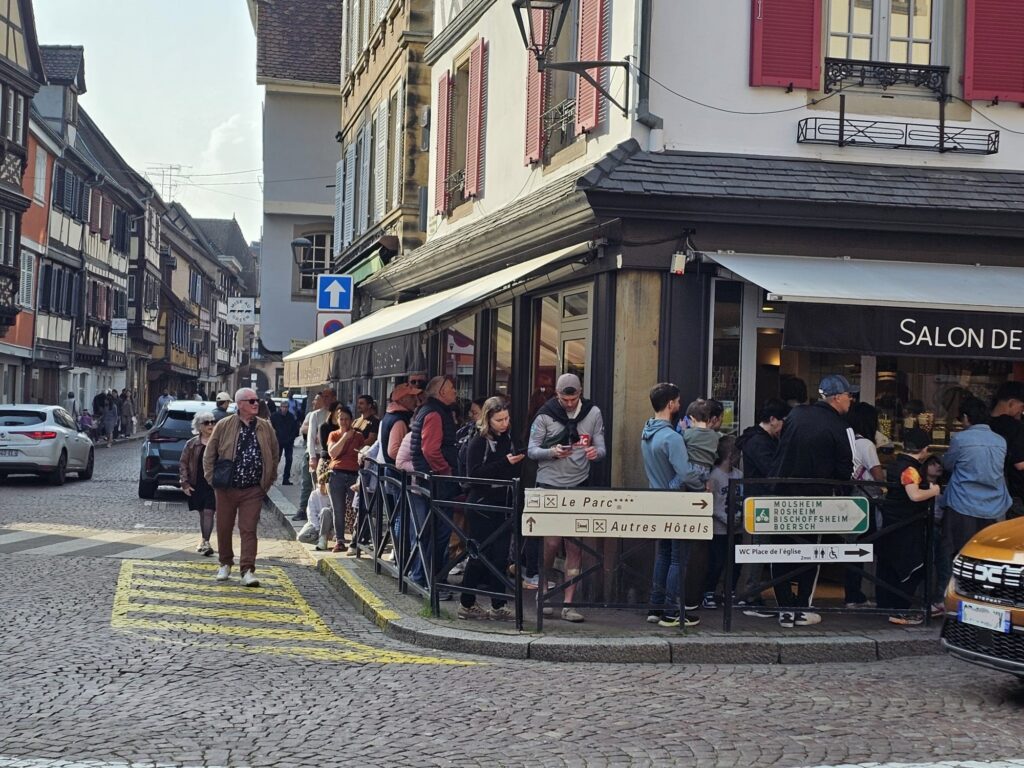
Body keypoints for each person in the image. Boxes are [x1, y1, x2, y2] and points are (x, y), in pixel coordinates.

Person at [769, 373, 856, 628]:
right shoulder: (840, 426)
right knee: (811, 553)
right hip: (815, 501)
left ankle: (785, 609)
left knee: (781, 551)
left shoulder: (796, 415)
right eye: (849, 395)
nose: (851, 400)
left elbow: (783, 450)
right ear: (837, 398)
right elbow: (845, 470)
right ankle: (802, 609)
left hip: (781, 496)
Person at [529, 373, 606, 623]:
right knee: (551, 543)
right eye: (565, 399)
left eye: (574, 399)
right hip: (549, 484)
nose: (570, 404)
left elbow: (602, 447)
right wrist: (551, 452)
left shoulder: (593, 413)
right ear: (557, 395)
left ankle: (569, 604)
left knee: (575, 546)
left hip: (578, 485)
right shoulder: (545, 415)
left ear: (580, 393)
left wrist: (595, 452)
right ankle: (543, 591)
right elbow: (531, 450)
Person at [641, 382, 704, 628]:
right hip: (676, 502)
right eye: (677, 401)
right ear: (670, 404)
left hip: (656, 499)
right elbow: (686, 474)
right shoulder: (672, 437)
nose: (679, 404)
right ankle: (671, 611)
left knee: (664, 554)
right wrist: (701, 485)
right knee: (678, 558)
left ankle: (656, 606)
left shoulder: (647, 432)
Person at [203, 387, 280, 587]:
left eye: (256, 400)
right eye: (251, 401)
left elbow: (274, 454)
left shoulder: (265, 427)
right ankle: (225, 563)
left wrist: (267, 481)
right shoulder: (224, 425)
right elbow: (209, 454)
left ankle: (247, 570)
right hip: (226, 487)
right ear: (240, 404)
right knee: (224, 526)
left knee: (248, 528)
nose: (256, 404)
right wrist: (212, 480)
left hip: (253, 489)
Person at [457, 397, 525, 621]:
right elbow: (474, 474)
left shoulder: (509, 438)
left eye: (506, 419)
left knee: (500, 557)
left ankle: (498, 605)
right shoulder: (478, 441)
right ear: (488, 419)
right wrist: (505, 463)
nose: (504, 424)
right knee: (479, 555)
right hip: (481, 505)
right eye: (499, 420)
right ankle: (467, 603)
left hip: (503, 503)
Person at [876, 427, 939, 626]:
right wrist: (934, 490)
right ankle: (901, 610)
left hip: (892, 523)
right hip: (907, 524)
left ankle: (885, 606)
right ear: (925, 449)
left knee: (889, 566)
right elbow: (915, 495)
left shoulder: (895, 464)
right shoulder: (910, 469)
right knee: (913, 567)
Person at [735, 398, 790, 616]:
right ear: (773, 419)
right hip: (761, 501)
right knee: (759, 547)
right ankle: (750, 596)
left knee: (759, 547)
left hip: (759, 500)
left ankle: (751, 594)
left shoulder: (756, 438)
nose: (784, 427)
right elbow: (771, 470)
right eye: (784, 421)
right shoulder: (760, 442)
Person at [941, 396, 1010, 560]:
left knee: (959, 553)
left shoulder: (960, 439)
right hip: (995, 506)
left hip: (963, 503)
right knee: (989, 554)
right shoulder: (1000, 441)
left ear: (966, 417)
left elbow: (948, 465)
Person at [408, 376, 460, 589]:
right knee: (438, 533)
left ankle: (425, 578)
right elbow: (430, 450)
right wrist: (445, 471)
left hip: (430, 479)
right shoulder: (434, 413)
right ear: (441, 392)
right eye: (452, 388)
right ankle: (431, 581)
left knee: (432, 532)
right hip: (436, 481)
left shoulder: (430, 411)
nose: (455, 391)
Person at [701, 435, 743, 609]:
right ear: (731, 455)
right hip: (719, 528)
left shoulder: (739, 475)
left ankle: (729, 591)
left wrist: (740, 515)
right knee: (716, 561)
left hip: (737, 528)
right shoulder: (714, 477)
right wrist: (726, 518)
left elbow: (742, 498)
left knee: (736, 562)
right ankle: (709, 592)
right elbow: (711, 503)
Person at [325, 404, 365, 553]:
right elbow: (332, 453)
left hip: (354, 474)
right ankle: (340, 540)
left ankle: (356, 539)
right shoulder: (333, 435)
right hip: (337, 474)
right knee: (338, 509)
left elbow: (362, 454)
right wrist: (344, 437)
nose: (344, 422)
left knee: (357, 508)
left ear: (352, 420)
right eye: (341, 419)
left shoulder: (359, 436)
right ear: (337, 420)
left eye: (346, 419)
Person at [179, 410, 218, 557]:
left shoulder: (218, 442)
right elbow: (183, 463)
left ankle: (206, 542)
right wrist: (185, 483)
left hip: (213, 484)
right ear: (199, 426)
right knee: (203, 513)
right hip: (197, 483)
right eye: (206, 423)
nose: (210, 425)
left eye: (212, 422)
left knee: (209, 512)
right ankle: (203, 540)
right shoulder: (192, 444)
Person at [989, 381, 1024, 520]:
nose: (1021, 411)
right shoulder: (1016, 427)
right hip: (1014, 492)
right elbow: (1020, 464)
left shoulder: (984, 422)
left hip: (989, 490)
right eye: (1021, 406)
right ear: (1011, 403)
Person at [293, 393, 322, 522]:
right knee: (307, 483)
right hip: (310, 453)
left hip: (324, 454)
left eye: (317, 400)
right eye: (314, 400)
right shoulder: (311, 415)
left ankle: (319, 512)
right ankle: (302, 509)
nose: (314, 402)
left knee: (320, 485)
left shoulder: (331, 414)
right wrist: (314, 429)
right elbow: (303, 429)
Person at [682, 399, 720, 487]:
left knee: (673, 485)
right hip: (707, 470)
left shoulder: (688, 433)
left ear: (692, 418)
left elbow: (681, 443)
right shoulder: (715, 435)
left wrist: (683, 428)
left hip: (693, 468)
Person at [307, 388, 336, 493]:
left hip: (335, 456)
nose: (324, 399)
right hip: (319, 455)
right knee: (319, 489)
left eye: (327, 397)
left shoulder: (339, 414)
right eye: (323, 397)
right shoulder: (315, 415)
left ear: (334, 398)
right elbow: (311, 437)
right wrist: (312, 457)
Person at [270, 400, 299, 485]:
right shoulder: (275, 416)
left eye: (286, 407)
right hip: (278, 441)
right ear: (280, 407)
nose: (285, 409)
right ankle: (272, 477)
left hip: (288, 442)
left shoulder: (291, 417)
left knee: (289, 460)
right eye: (283, 407)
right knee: (276, 459)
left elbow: (295, 428)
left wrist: (292, 438)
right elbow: (271, 427)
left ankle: (286, 479)